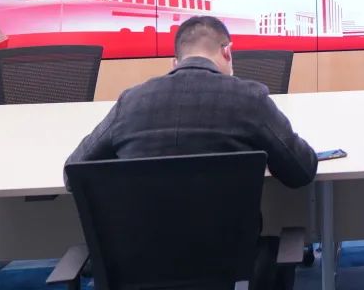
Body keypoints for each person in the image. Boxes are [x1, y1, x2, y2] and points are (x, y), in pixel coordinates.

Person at [66, 16, 318, 290]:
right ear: (227, 52)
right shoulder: (248, 99)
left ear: (174, 63)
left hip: (142, 266)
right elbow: (301, 170)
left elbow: (74, 171)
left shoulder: (132, 103)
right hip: (229, 266)